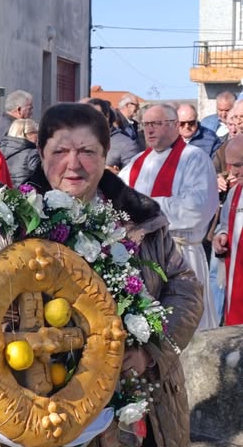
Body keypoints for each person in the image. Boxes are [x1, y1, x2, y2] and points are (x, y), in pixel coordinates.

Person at [24, 103, 201, 447]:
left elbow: (187, 289)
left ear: (105, 156)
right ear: (41, 154)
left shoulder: (140, 219)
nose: (73, 164)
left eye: (87, 151)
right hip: (56, 423)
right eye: (60, 150)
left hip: (135, 418)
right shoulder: (14, 223)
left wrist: (150, 350)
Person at [120, 104, 220, 330]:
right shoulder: (137, 163)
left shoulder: (195, 159)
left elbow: (196, 207)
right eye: (146, 124)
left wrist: (144, 209)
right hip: (142, 254)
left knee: (186, 325)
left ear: (175, 126)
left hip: (180, 251)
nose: (150, 130)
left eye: (156, 124)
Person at [212, 134, 243, 325]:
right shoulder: (235, 192)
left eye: (238, 165)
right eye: (230, 165)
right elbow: (225, 225)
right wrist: (221, 236)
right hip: (236, 282)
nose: (232, 172)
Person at [87, 98, 140, 172]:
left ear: (107, 117)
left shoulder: (127, 145)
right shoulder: (78, 141)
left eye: (96, 115)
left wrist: (114, 174)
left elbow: (132, 177)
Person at [0, 118, 41, 185]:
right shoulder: (32, 153)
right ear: (27, 134)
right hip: (26, 193)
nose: (38, 136)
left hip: (5, 193)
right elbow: (40, 177)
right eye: (36, 132)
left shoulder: (1, 150)